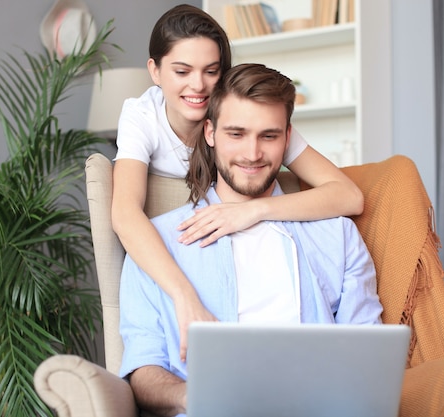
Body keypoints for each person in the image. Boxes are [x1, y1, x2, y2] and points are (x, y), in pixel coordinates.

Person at [118, 63, 382, 417]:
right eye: (236, 134)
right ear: (209, 133)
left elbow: (368, 354)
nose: (253, 154)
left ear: (288, 139)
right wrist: (189, 395)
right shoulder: (157, 243)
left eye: (268, 136)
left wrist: (255, 211)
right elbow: (143, 369)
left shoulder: (337, 235)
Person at [112, 4, 364, 362]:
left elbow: (348, 196)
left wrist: (253, 211)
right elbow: (124, 213)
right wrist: (184, 296)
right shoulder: (143, 117)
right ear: (154, 71)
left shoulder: (250, 120)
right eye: (181, 71)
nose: (197, 85)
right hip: (190, 242)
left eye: (211, 71)